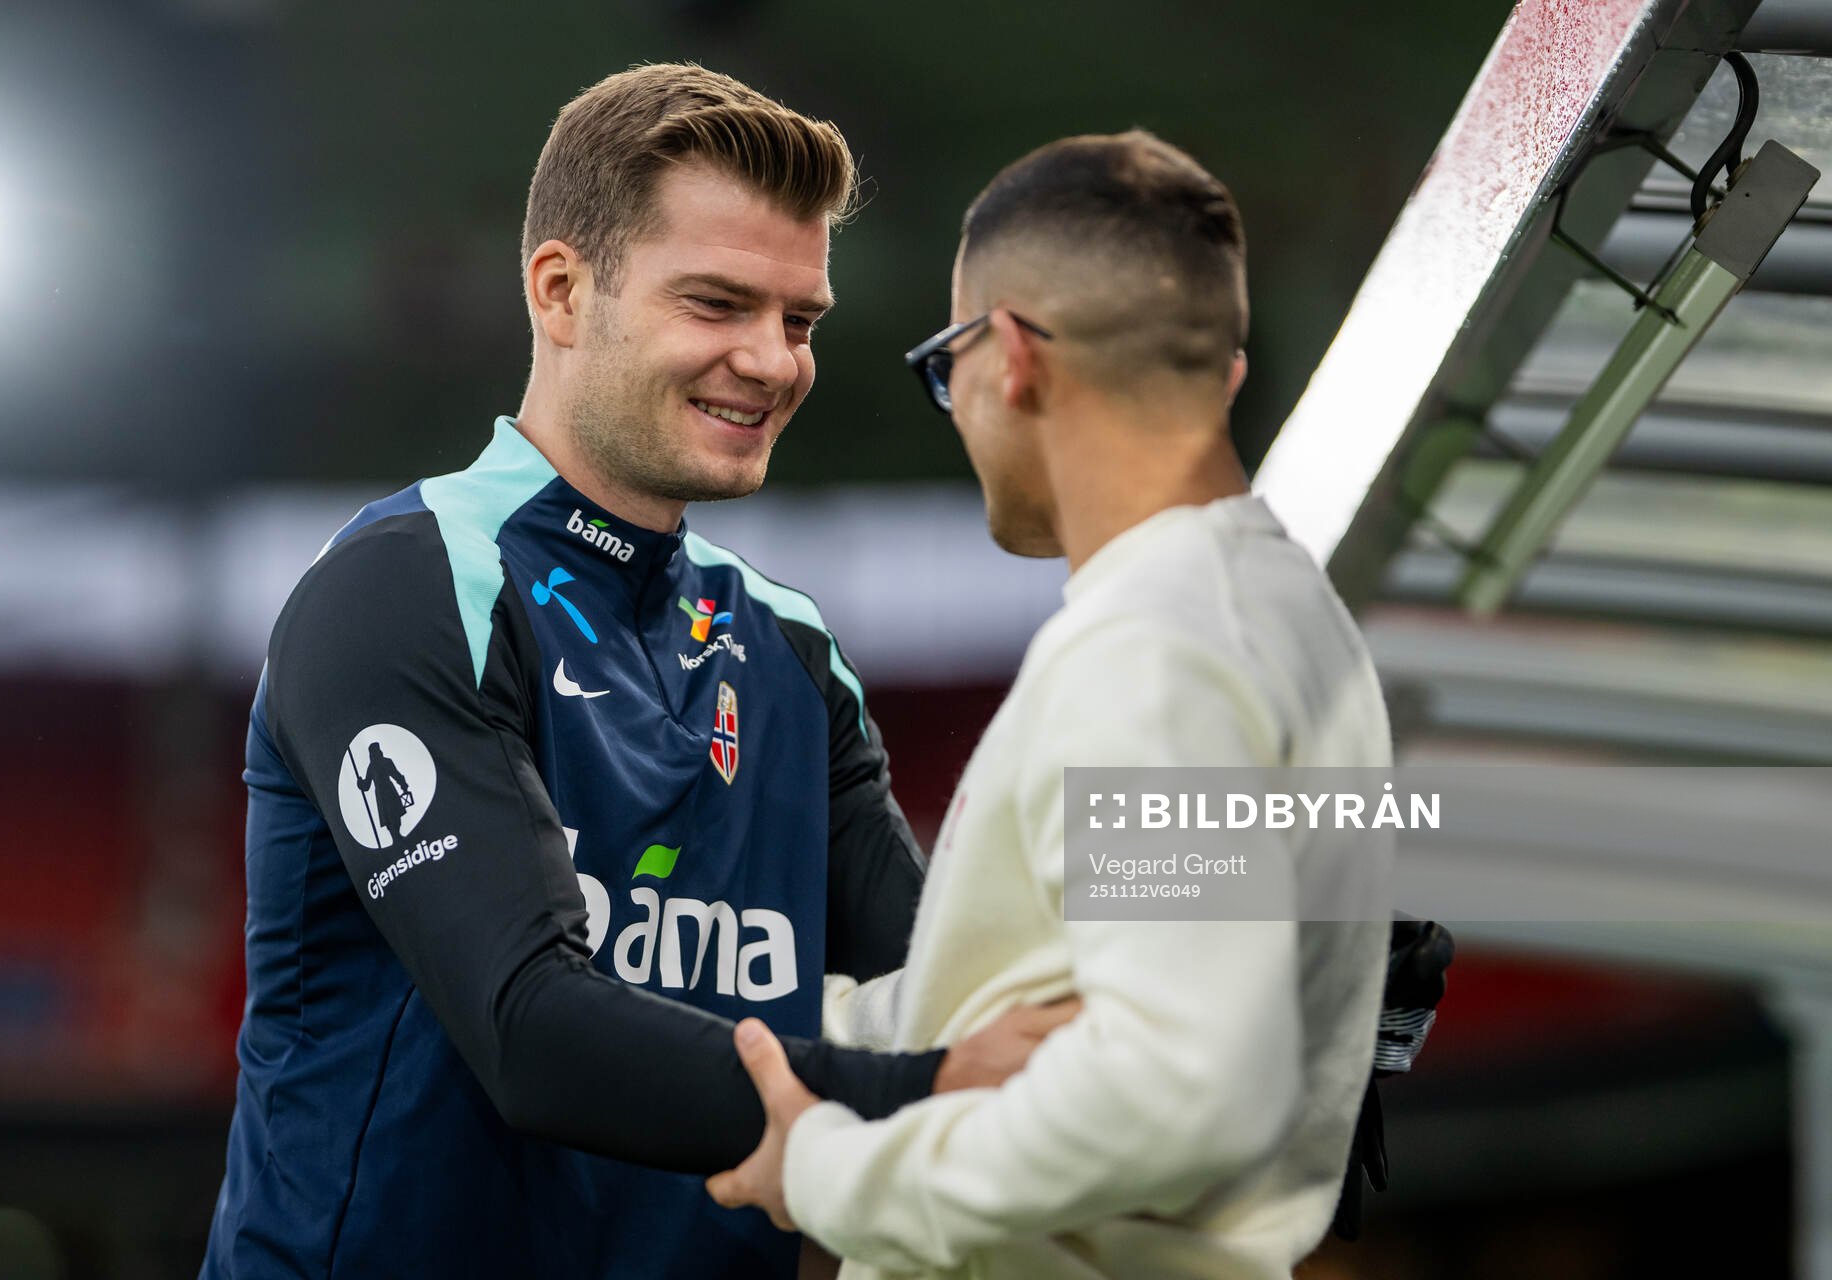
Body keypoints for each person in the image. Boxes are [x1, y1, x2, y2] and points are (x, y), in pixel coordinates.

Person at [200, 64, 1068, 1280]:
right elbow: (532, 1034)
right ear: (562, 290)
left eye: (800, 320)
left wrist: (1266, 948)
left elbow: (950, 977)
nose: (771, 361)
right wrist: (925, 1085)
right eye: (717, 303)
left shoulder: (790, 651)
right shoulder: (406, 583)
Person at [709, 130, 1406, 1278]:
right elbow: (1035, 1003)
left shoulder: (1162, 645)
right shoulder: (1274, 615)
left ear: (1013, 355)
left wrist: (830, 1168)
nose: (959, 405)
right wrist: (758, 1031)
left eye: (947, 365)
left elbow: (1180, 1081)